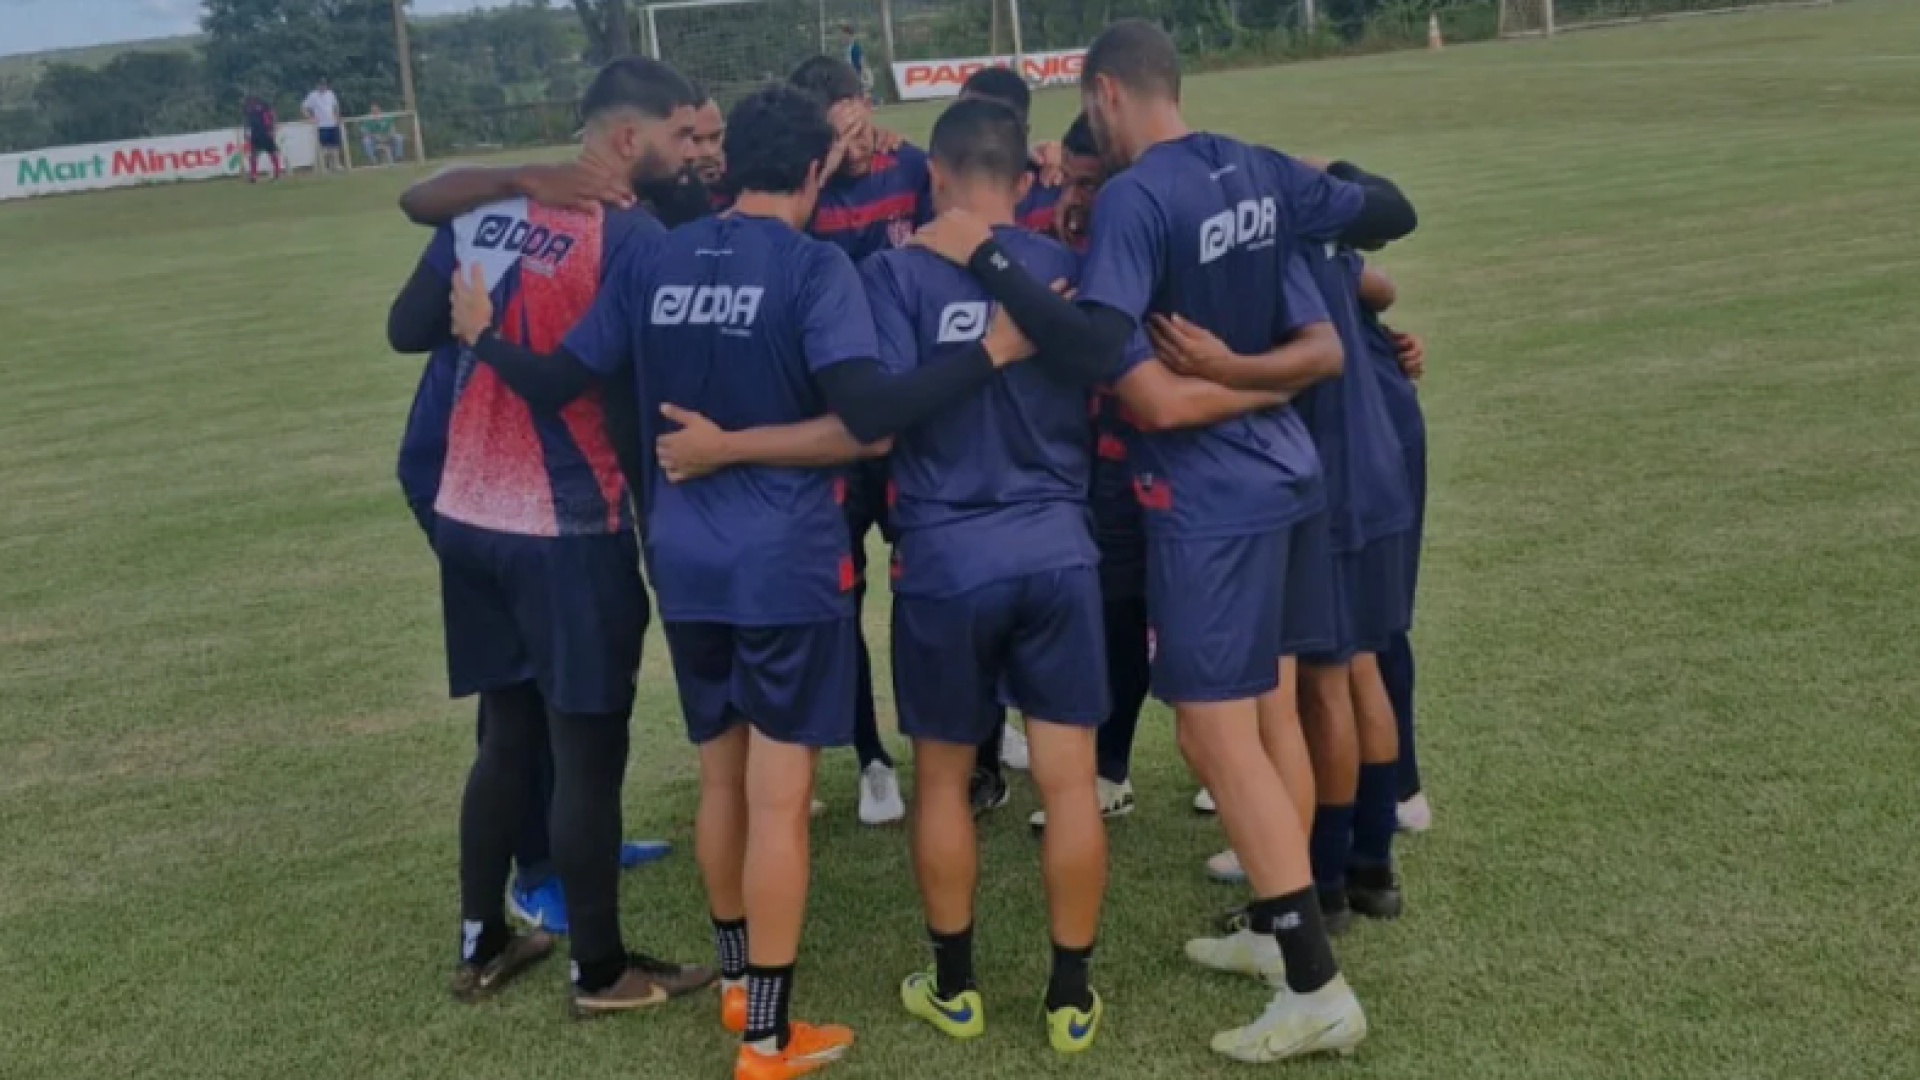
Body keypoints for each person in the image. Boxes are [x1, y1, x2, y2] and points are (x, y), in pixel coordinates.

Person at [458, 82, 1035, 1080]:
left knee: (720, 778)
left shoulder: (659, 257)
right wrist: (991, 352)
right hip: (785, 569)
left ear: (731, 169)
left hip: (683, 564)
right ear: (815, 171)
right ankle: (766, 1035)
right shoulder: (815, 269)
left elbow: (561, 381)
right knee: (777, 799)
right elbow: (871, 422)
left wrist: (482, 336)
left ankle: (735, 981)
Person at [909, 18, 1418, 1062]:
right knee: (1266, 712)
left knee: (1211, 736)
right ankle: (1289, 937)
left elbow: (1134, 384)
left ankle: (1316, 987)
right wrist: (1244, 372)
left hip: (1210, 504)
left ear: (1101, 94)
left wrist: (992, 260)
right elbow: (1321, 348)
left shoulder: (1140, 198)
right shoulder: (1255, 172)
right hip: (1289, 478)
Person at [391, 56, 712, 1014]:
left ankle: (482, 939)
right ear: (627, 138)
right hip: (570, 528)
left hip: (471, 520)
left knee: (507, 738)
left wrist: (484, 312)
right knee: (586, 751)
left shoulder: (481, 216)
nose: (688, 153)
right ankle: (602, 971)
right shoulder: (633, 236)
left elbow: (410, 329)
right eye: (678, 136)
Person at [1028, 112, 1150, 831]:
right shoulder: (1058, 237)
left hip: (1166, 455)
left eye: (1091, 183)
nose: (1076, 197)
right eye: (1068, 180)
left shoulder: (1147, 230)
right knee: (1115, 613)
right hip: (1095, 465)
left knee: (1183, 623)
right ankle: (1110, 768)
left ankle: (1232, 774)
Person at [1353, 268, 1433, 833]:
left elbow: (1377, 284)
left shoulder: (1294, 211)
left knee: (1367, 628)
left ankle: (1397, 789)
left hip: (1364, 426)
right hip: (1334, 418)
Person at [303, 78, 344, 174]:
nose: (323, 87)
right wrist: (310, 118)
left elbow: (336, 106)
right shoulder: (313, 95)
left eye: (324, 85)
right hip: (321, 125)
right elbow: (304, 107)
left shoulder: (330, 93)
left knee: (334, 146)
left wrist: (338, 116)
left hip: (332, 123)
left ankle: (336, 165)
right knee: (324, 147)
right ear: (318, 85)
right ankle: (325, 166)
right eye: (321, 85)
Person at [242, 94, 284, 183]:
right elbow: (247, 121)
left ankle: (277, 172)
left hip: (265, 132)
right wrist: (246, 132)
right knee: (253, 154)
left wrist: (272, 129)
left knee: (271, 152)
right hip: (255, 134)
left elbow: (271, 116)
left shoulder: (264, 106)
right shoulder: (247, 109)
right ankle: (253, 176)